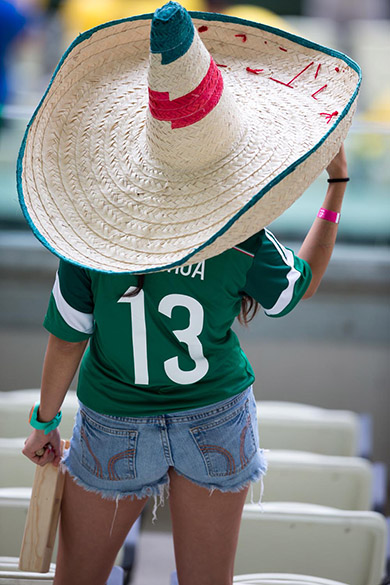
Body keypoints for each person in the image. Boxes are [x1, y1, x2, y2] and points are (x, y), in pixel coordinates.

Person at [19, 3, 359, 584]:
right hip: (216, 415)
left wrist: (45, 421)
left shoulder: (93, 232)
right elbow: (300, 284)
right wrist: (335, 188)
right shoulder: (244, 240)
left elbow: (67, 334)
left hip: (114, 419)